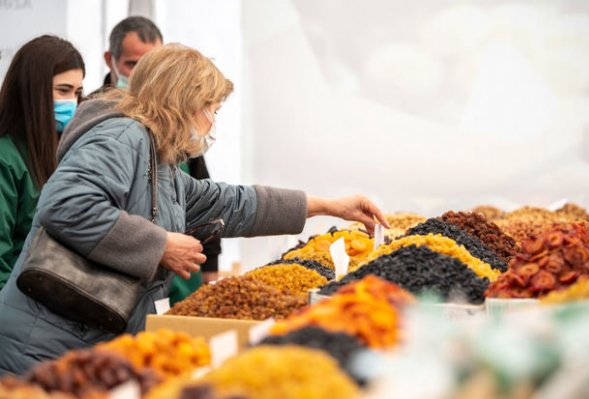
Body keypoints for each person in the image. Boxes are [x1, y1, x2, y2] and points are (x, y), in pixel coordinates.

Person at [0, 43, 388, 375]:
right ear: (183, 100)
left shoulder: (159, 158)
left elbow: (229, 202)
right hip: (45, 342)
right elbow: (66, 205)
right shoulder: (121, 135)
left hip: (88, 334)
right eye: (212, 108)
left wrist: (328, 206)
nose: (213, 120)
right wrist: (160, 245)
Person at [96, 15, 220, 299]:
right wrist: (158, 244)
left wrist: (211, 266)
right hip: (121, 282)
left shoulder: (174, 119)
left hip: (181, 274)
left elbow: (208, 195)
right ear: (110, 59)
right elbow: (79, 210)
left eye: (155, 64)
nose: (146, 74)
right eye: (134, 64)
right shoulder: (99, 120)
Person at [0, 35, 84, 291]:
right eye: (63, 90)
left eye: (78, 92)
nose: (73, 102)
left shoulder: (68, 150)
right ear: (31, 89)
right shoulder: (7, 158)